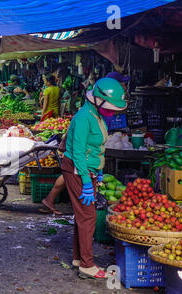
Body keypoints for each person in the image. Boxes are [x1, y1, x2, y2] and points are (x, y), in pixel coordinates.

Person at [39, 73, 131, 216]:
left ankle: (50, 200)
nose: (124, 87)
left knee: (69, 176)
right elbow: (79, 148)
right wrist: (88, 182)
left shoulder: (105, 103)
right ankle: (50, 199)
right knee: (84, 210)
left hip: (84, 151)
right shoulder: (92, 108)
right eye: (122, 84)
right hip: (80, 153)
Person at [62, 77, 127, 279]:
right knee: (88, 216)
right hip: (76, 170)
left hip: (87, 171)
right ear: (97, 99)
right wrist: (87, 181)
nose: (112, 111)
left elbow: (95, 148)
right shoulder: (84, 117)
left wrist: (97, 171)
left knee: (83, 215)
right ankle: (87, 265)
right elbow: (79, 152)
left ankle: (78, 258)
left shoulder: (96, 114)